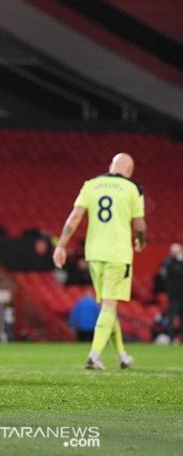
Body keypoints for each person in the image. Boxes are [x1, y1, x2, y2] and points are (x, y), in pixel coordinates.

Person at [53, 153, 146, 370]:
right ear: (130, 170)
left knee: (107, 305)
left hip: (93, 254)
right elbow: (140, 225)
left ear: (110, 166)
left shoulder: (91, 185)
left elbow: (74, 217)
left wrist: (61, 245)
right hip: (118, 254)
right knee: (110, 305)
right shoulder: (133, 188)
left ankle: (122, 355)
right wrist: (140, 241)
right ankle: (94, 355)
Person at [160, 243, 183, 343]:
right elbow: (165, 274)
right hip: (173, 295)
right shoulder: (168, 262)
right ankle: (170, 337)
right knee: (171, 316)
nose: (175, 254)